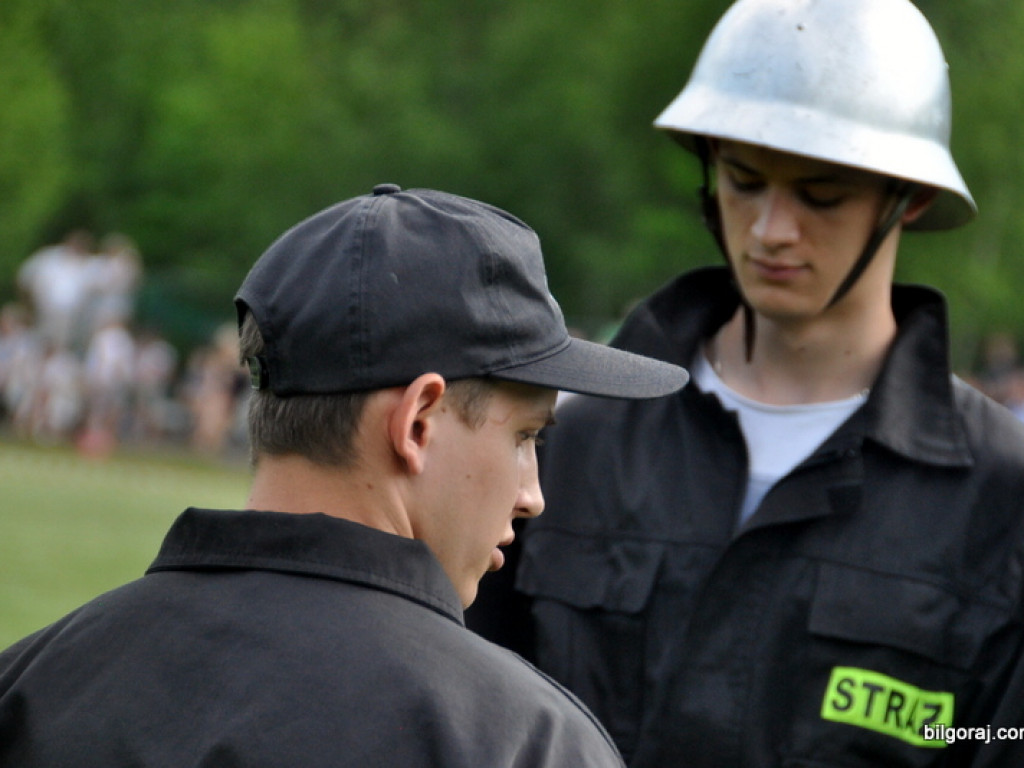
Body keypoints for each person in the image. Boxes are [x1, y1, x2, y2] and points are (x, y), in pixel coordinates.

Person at [465, 1, 1024, 766]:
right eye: (744, 179)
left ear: (910, 198)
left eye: (820, 193)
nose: (771, 229)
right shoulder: (570, 442)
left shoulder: (1001, 498)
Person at [0, 184, 687, 766]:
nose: (533, 495)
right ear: (418, 421)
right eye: (527, 436)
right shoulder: (522, 741)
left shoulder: (33, 684)